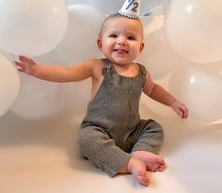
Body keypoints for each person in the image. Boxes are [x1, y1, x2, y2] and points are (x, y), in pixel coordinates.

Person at [15, 12, 188, 186]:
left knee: (154, 128)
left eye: (130, 37)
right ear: (100, 43)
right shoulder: (97, 67)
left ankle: (140, 152)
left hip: (132, 131)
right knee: (87, 139)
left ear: (141, 47)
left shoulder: (142, 72)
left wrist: (173, 102)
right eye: (114, 35)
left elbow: (153, 89)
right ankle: (127, 163)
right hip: (99, 130)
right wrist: (37, 70)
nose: (122, 41)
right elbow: (66, 73)